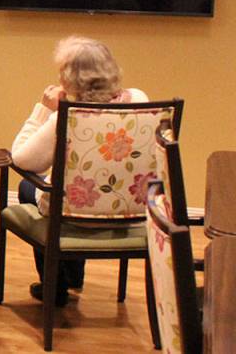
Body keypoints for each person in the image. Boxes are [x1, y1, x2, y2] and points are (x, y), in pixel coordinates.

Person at [11, 35, 148, 307]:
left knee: (27, 188)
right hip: (126, 212)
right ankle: (73, 275)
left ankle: (56, 286)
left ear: (70, 79)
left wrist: (43, 109)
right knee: (80, 190)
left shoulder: (66, 115)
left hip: (72, 215)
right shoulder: (139, 99)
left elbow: (21, 158)